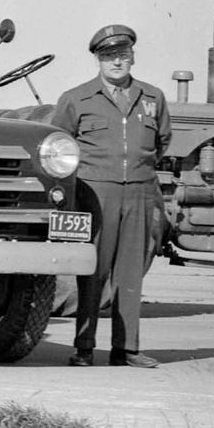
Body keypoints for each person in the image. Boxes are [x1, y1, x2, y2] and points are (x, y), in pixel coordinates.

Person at [52, 24, 170, 368]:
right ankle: (84, 347)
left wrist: (136, 171)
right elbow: (60, 146)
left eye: (122, 54)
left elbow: (161, 143)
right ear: (98, 60)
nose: (116, 62)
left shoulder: (153, 98)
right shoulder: (76, 99)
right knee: (93, 269)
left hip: (139, 192)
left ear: (132, 56)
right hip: (94, 193)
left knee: (131, 273)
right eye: (108, 56)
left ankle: (126, 349)